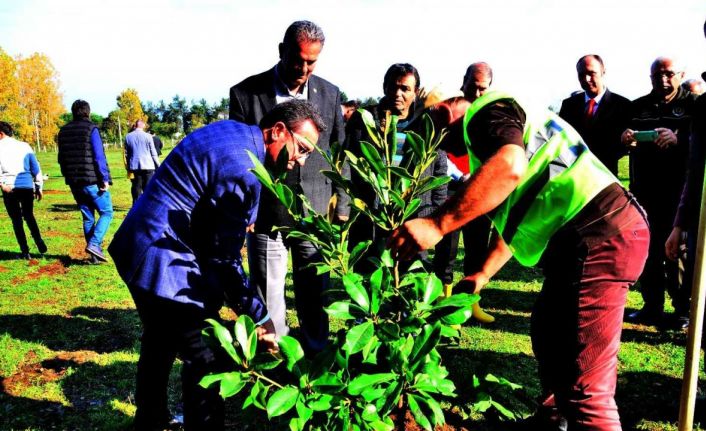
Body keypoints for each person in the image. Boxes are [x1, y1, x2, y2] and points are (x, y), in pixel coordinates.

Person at [388, 91, 649, 430]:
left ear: (441, 112)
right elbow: (514, 218)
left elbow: (510, 166)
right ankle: (554, 421)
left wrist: (437, 224)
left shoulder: (484, 114)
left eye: (437, 138)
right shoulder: (494, 138)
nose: (447, 152)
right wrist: (481, 274)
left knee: (587, 384)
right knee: (549, 333)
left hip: (600, 234)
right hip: (582, 240)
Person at [109, 100, 324, 431]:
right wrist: (260, 316)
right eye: (302, 148)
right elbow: (222, 259)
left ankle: (149, 420)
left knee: (160, 340)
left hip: (139, 243)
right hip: (160, 257)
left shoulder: (236, 134)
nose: (301, 161)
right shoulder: (244, 169)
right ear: (279, 130)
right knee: (207, 355)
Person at [228, 20, 347, 353]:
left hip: (316, 214)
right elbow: (242, 156)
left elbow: (341, 152)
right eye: (298, 60)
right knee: (268, 294)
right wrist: (247, 208)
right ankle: (275, 358)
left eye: (312, 62)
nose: (304, 68)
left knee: (315, 293)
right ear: (282, 51)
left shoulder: (330, 93)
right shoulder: (246, 93)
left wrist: (345, 205)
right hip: (266, 213)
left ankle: (316, 355)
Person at [345, 63, 447, 273]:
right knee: (369, 276)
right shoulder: (364, 119)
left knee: (409, 279)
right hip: (372, 219)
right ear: (384, 87)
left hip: (414, 216)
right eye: (393, 87)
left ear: (416, 92)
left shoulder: (428, 123)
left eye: (405, 89)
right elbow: (350, 164)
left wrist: (432, 214)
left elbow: (439, 173)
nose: (397, 94)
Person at [622, 57, 697, 329]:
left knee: (679, 252)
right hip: (644, 191)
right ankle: (651, 306)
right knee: (648, 251)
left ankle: (682, 310)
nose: (663, 81)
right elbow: (619, 142)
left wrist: (679, 141)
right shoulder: (638, 107)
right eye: (657, 76)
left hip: (679, 195)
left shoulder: (693, 106)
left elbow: (700, 148)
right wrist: (626, 137)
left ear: (681, 74)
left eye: (669, 75)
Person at [433, 62, 495, 323]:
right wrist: (461, 176)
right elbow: (438, 149)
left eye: (483, 89)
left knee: (478, 246)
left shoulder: (492, 114)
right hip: (450, 187)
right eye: (473, 86)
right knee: (446, 247)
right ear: (464, 81)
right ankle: (441, 300)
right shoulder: (447, 109)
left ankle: (473, 301)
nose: (477, 93)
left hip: (479, 191)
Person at [57, 100, 113, 263]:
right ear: (88, 112)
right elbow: (98, 156)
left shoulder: (63, 131)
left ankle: (94, 256)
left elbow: (61, 158)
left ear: (73, 112)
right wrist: (104, 178)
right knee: (107, 212)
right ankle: (94, 244)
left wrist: (68, 176)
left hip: (75, 182)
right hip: (92, 181)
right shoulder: (91, 129)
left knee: (88, 217)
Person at [559, 55, 632, 175]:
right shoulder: (569, 105)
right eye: (581, 75)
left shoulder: (622, 105)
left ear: (603, 72)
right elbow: (562, 139)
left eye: (591, 73)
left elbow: (624, 145)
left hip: (605, 175)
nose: (586, 79)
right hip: (573, 174)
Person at [0, 121, 46, 259]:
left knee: (16, 220)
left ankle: (25, 251)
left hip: (9, 187)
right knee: (29, 215)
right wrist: (39, 186)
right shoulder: (25, 146)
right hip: (26, 186)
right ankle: (39, 240)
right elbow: (35, 167)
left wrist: (2, 184)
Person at [125, 119, 160, 204]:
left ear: (135, 125)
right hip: (148, 165)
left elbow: (126, 153)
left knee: (136, 186)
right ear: (143, 125)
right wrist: (158, 165)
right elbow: (153, 153)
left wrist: (128, 167)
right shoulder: (148, 136)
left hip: (134, 166)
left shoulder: (128, 136)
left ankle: (136, 205)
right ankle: (147, 205)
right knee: (148, 187)